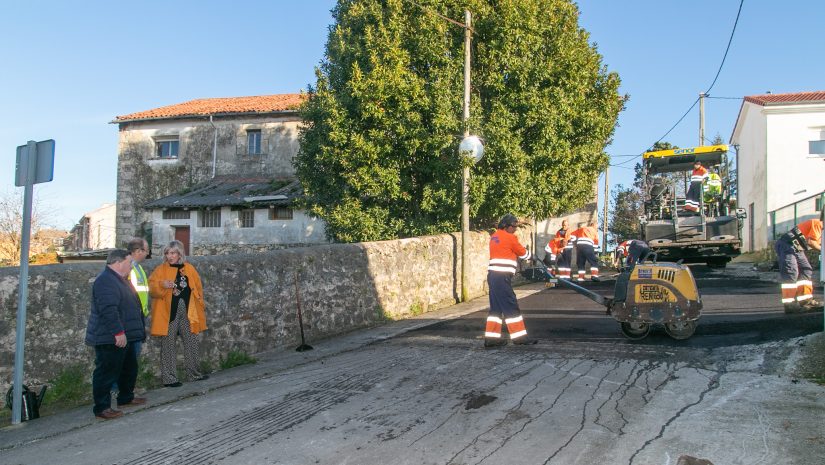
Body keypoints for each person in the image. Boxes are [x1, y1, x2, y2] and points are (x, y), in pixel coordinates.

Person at [85, 249, 147, 420]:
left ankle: (125, 397)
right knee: (106, 372)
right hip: (109, 336)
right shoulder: (106, 281)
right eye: (129, 263)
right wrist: (118, 332)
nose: (131, 266)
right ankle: (102, 408)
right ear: (118, 263)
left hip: (125, 335)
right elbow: (108, 310)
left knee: (128, 368)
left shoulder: (119, 280)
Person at [149, 240, 208, 387]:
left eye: (173, 253)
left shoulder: (190, 269)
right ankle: (170, 379)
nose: (170, 256)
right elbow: (151, 288)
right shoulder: (160, 269)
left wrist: (200, 303)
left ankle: (194, 373)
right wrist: (162, 285)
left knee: (192, 342)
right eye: (167, 253)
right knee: (168, 345)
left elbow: (198, 288)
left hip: (189, 312)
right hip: (169, 313)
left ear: (180, 253)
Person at [484, 214, 536, 347]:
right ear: (506, 225)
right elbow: (522, 253)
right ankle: (519, 338)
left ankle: (491, 339)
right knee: (511, 305)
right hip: (502, 277)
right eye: (514, 226)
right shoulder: (510, 238)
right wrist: (532, 256)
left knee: (496, 308)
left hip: (493, 276)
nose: (515, 229)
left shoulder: (494, 236)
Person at [775, 217, 823, 313]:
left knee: (806, 269)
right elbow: (812, 242)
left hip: (797, 248)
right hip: (787, 244)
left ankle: (805, 300)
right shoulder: (819, 224)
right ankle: (789, 305)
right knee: (791, 272)